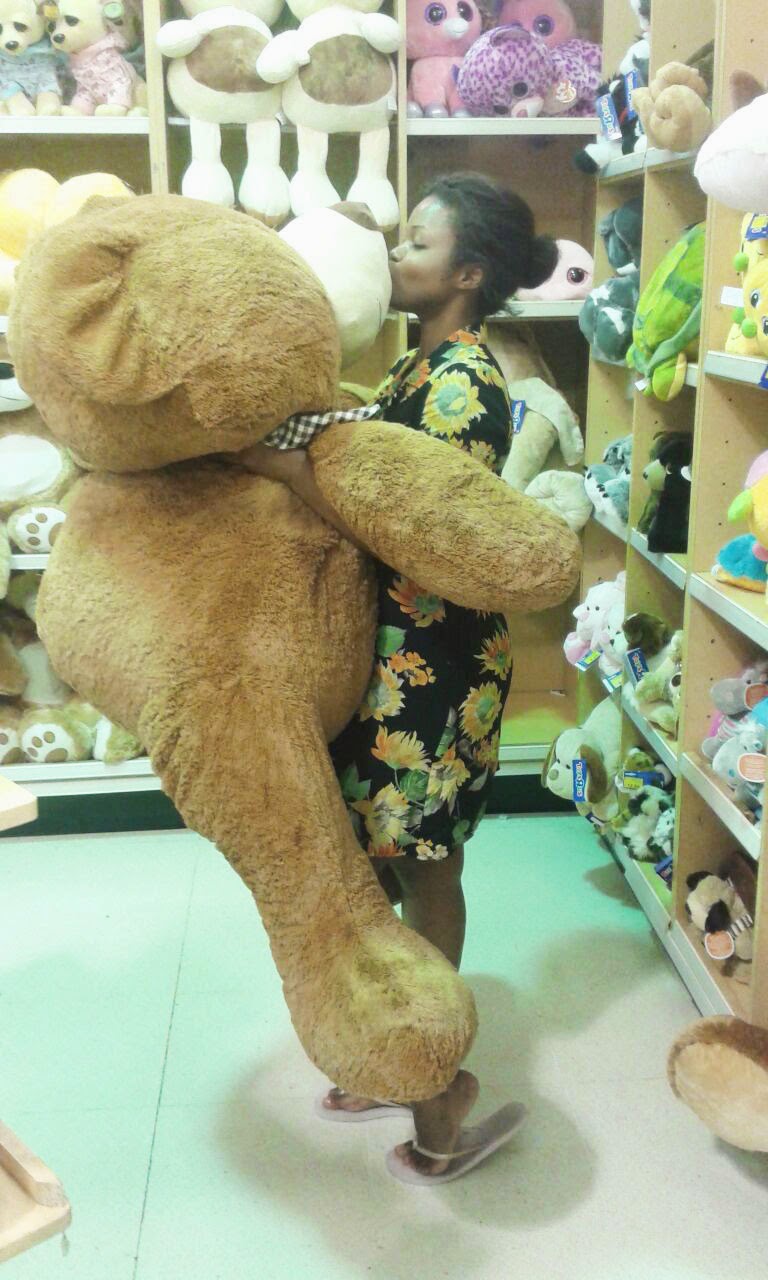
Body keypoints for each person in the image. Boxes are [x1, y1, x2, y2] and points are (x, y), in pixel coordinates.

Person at [237, 172, 557, 1180]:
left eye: (419, 241)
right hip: (393, 657)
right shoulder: (414, 367)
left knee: (425, 862)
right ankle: (392, 1047)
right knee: (376, 855)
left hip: (438, 665)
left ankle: (435, 1091)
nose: (396, 252)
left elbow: (414, 526)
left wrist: (292, 471)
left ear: (467, 275)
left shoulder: (463, 383)